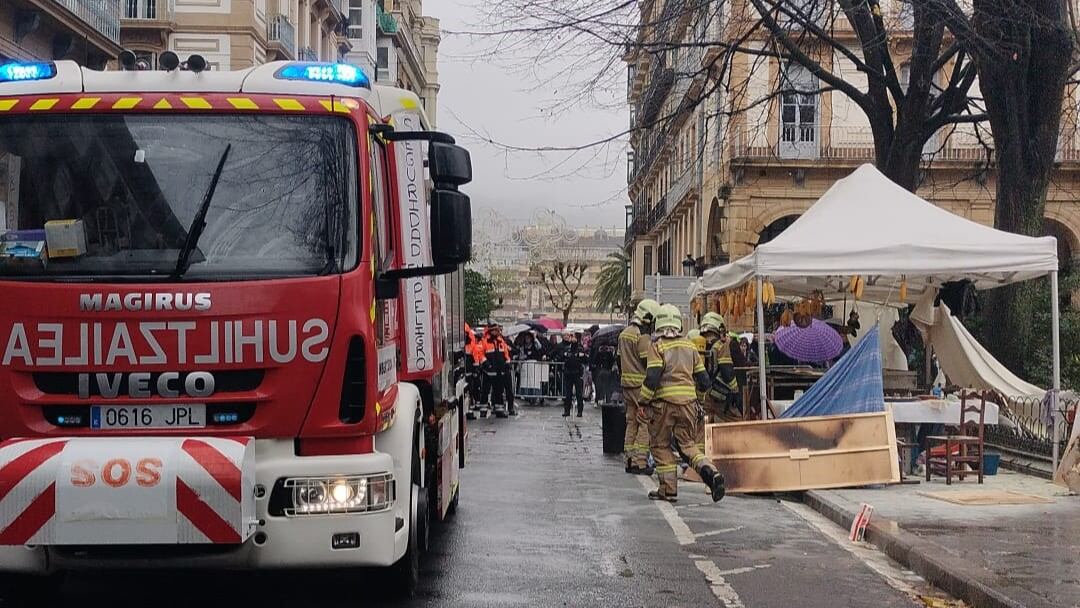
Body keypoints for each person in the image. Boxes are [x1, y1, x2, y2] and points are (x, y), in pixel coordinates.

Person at [640, 304, 726, 503]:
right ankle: (711, 472)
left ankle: (668, 490)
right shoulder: (690, 346)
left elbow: (652, 378)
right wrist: (698, 400)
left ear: (658, 324)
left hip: (663, 405)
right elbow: (704, 381)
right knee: (688, 444)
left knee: (660, 445)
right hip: (688, 404)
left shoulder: (657, 346)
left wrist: (642, 402)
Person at [619, 298, 660, 475]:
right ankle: (639, 462)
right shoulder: (641, 337)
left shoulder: (624, 333)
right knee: (645, 422)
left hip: (626, 385)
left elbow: (618, 359)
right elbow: (647, 361)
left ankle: (629, 459)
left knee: (631, 422)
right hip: (639, 385)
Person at [475, 324, 516, 416]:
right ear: (491, 331)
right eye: (495, 331)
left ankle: (499, 410)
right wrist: (487, 364)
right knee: (485, 391)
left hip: (499, 371)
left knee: (499, 391)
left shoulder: (501, 341)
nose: (497, 332)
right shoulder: (484, 341)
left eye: (498, 331)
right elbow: (480, 354)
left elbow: (506, 354)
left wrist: (507, 363)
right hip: (488, 372)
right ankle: (483, 410)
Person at [554, 331, 590, 417]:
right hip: (568, 373)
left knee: (578, 393)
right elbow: (560, 357)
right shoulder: (567, 349)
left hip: (577, 373)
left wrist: (582, 356)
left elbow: (585, 360)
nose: (573, 339)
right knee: (568, 393)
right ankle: (567, 410)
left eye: (574, 337)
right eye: (571, 337)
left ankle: (580, 411)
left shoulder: (580, 349)